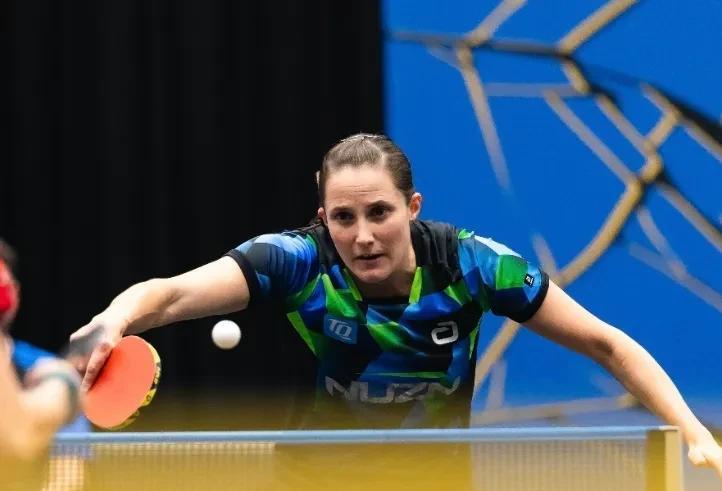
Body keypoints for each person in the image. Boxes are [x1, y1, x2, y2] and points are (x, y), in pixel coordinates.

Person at [72, 133, 722, 476]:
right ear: (323, 217)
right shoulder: (296, 261)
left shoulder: (472, 264)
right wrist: (110, 323)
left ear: (412, 207)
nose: (362, 235)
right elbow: (170, 293)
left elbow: (607, 343)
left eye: (379, 213)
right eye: (344, 217)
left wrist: (694, 431)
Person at [0, 239, 83, 489]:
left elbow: (67, 478)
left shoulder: (38, 363)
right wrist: (63, 385)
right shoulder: (53, 371)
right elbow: (19, 437)